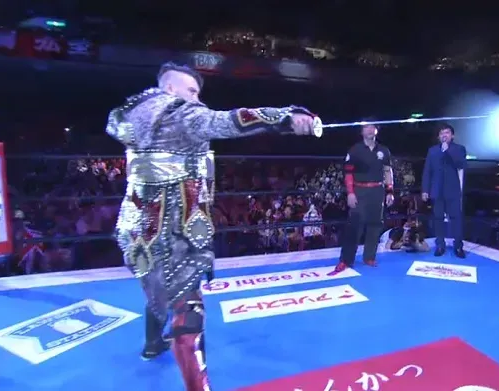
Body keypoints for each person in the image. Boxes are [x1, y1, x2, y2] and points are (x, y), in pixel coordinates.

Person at [106, 62, 318, 391]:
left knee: (160, 290)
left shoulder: (135, 115)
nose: (198, 99)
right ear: (171, 89)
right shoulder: (179, 114)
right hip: (174, 231)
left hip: (137, 228)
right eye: (193, 91)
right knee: (189, 312)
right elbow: (229, 121)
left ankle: (152, 344)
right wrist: (287, 117)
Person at [331, 121, 394, 273]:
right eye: (367, 127)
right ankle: (346, 260)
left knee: (374, 225)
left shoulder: (384, 150)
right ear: (362, 131)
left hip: (377, 191)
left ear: (377, 130)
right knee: (354, 227)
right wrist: (351, 193)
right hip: (360, 191)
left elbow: (387, 171)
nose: (370, 129)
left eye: (373, 127)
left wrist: (390, 191)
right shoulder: (355, 150)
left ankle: (369, 257)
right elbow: (348, 173)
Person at [421, 124, 467, 258]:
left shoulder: (459, 149)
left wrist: (448, 151)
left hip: (452, 190)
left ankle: (458, 246)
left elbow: (461, 165)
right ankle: (440, 245)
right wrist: (425, 190)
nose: (444, 135)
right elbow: (427, 171)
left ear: (452, 135)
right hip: (436, 190)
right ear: (438, 136)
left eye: (447, 133)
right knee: (438, 218)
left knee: (456, 218)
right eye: (442, 133)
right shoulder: (433, 151)